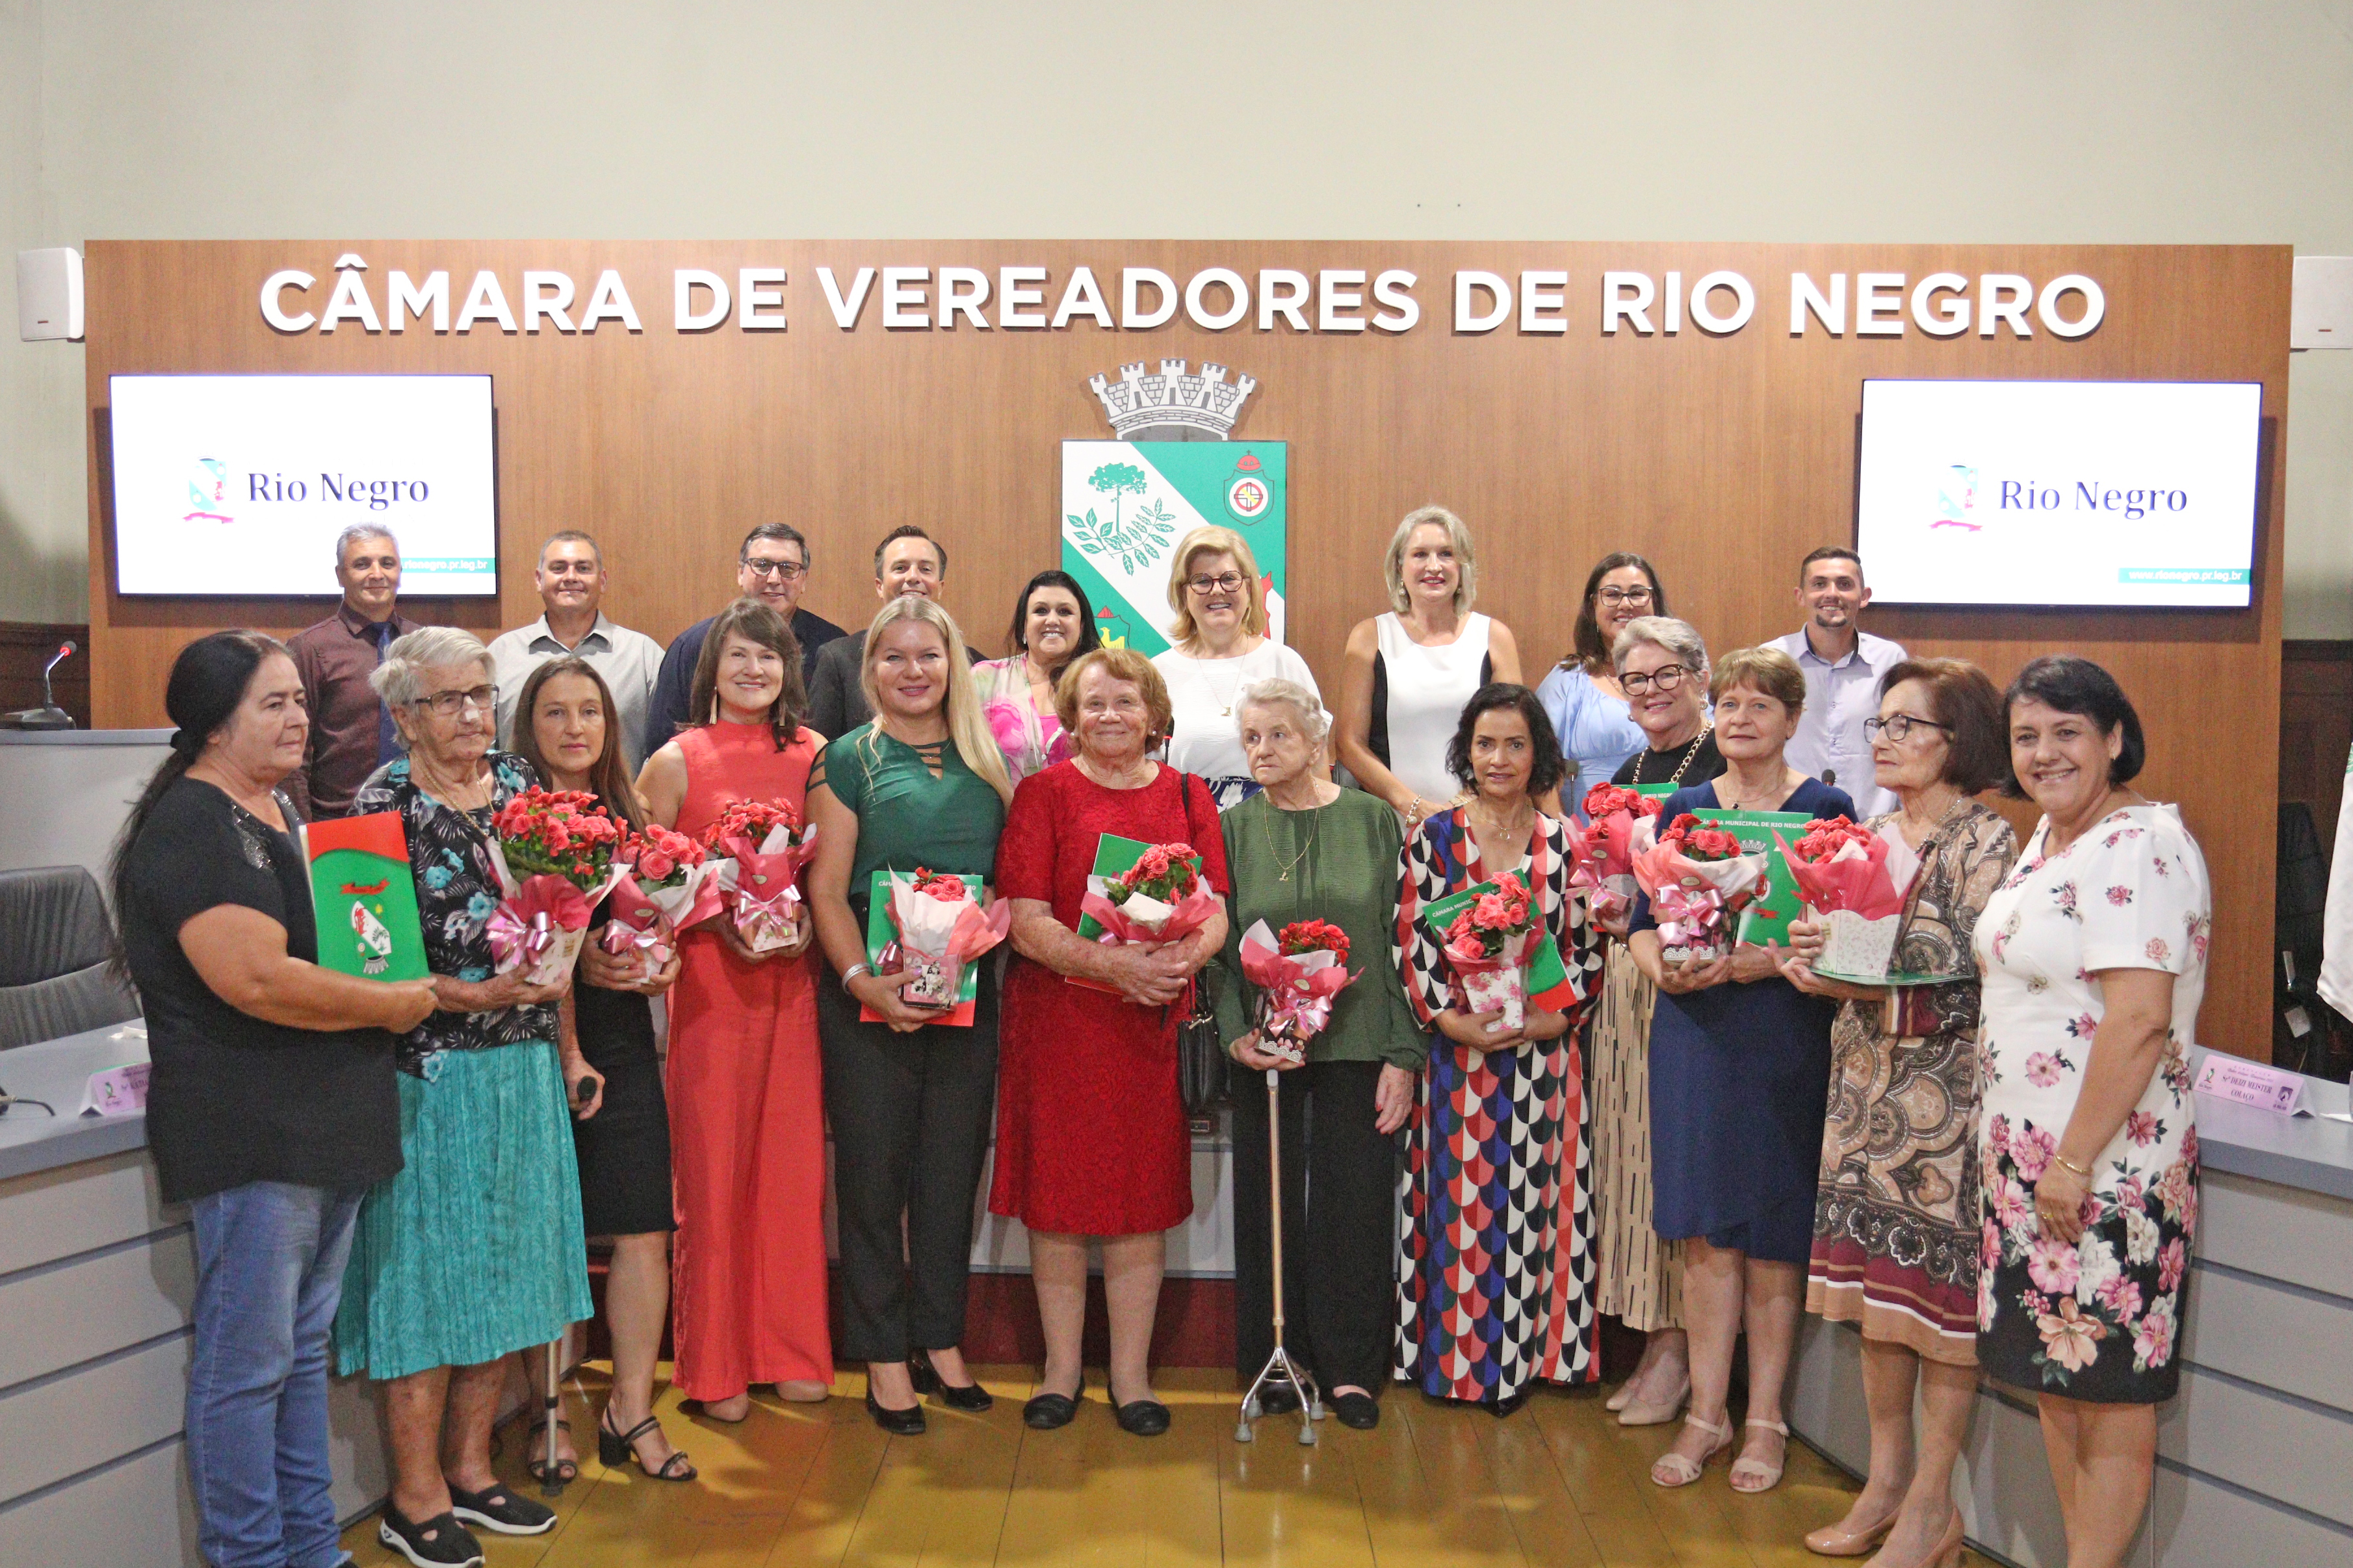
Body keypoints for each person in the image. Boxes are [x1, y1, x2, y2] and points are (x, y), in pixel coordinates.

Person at [112, 632, 437, 1568]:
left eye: (301, 700)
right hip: (256, 1133)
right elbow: (256, 981)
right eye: (273, 704)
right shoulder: (195, 824)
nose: (300, 718)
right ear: (215, 722)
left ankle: (308, 1547)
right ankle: (251, 1555)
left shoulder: (274, 808)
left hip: (322, 1125)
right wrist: (395, 1002)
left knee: (296, 1358)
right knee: (246, 1368)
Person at [330, 626, 589, 1567]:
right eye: (450, 700)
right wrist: (472, 993)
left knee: (511, 1278)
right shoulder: (374, 808)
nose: (475, 714)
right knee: (426, 1290)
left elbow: (561, 916)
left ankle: (475, 1472)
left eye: (481, 693)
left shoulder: (522, 786)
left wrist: (564, 1036)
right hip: (427, 1078)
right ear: (402, 715)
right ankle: (413, 1493)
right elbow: (365, 967)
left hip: (522, 1068)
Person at [1971, 656, 2207, 1568]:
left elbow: (2141, 1018)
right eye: (2027, 735)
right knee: (2060, 1383)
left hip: (2105, 1172)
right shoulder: (2050, 838)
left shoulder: (2141, 842)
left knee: (2109, 1396)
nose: (2044, 753)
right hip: (2034, 1167)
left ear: (2114, 738)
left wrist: (2071, 1163)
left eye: (2067, 732)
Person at [1780, 659, 2016, 1564]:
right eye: (1880, 724)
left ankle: (1930, 1506)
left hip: (1944, 1105)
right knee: (1879, 1305)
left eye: (1906, 725)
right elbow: (1848, 956)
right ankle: (1885, 1480)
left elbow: (1975, 976)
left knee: (1935, 1311)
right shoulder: (1867, 832)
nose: (1883, 739)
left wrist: (1861, 975)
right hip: (1861, 1091)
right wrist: (1811, 954)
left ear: (1959, 741)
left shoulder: (1990, 841)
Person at [1629, 645, 1853, 1493]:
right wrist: (1665, 969)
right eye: (1729, 702)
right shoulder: (1683, 805)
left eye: (1763, 704)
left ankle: (1765, 1419)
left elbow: (1850, 926)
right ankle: (1705, 1413)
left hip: (1785, 1030)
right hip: (1694, 1032)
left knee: (1771, 1234)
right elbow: (1645, 923)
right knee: (1705, 1235)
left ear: (1793, 720)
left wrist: (1772, 959)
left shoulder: (1827, 805)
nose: (1743, 716)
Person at [991, 647, 1231, 1437]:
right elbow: (1024, 919)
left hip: (1149, 1027)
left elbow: (1218, 910)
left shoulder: (1188, 794)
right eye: (1092, 703)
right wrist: (1110, 964)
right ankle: (1061, 1373)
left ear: (1153, 712)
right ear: (1069, 715)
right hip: (1061, 1027)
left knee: (1139, 1206)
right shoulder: (1042, 793)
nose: (1108, 716)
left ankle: (1130, 1378)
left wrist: (1169, 964)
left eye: (1124, 701)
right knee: (1055, 1207)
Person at [807, 598, 1016, 1433]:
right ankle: (882, 1354)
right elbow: (824, 889)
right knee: (871, 1175)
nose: (912, 670)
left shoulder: (989, 758)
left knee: (948, 1174)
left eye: (927, 655)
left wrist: (980, 931)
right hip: (870, 995)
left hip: (967, 992)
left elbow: (1005, 873)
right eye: (892, 657)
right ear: (870, 671)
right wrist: (863, 981)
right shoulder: (845, 760)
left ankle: (940, 1340)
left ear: (952, 664)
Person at [1208, 679, 1423, 1431]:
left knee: (1353, 1204)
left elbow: (1405, 944)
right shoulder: (1230, 827)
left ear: (1316, 739)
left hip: (1360, 1042)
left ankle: (1350, 1368)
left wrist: (1403, 1050)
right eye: (1251, 739)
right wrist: (1236, 1032)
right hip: (1267, 1049)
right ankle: (1278, 1357)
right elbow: (1219, 951)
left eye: (1278, 736)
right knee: (1266, 1203)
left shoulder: (1373, 820)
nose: (1262, 751)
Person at [637, 597, 833, 1421]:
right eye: (738, 657)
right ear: (709, 667)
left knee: (791, 1172)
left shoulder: (818, 754)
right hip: (713, 987)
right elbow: (644, 882)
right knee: (712, 1174)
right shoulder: (675, 760)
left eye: (769, 658)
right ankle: (713, 1363)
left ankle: (789, 1348)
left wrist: (796, 931)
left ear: (789, 669)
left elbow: (829, 876)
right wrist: (721, 915)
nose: (754, 672)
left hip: (793, 985)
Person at [508, 656, 694, 1484]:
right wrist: (580, 980)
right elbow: (528, 951)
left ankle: (631, 1408)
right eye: (555, 712)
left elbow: (656, 926)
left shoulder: (632, 814)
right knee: (546, 1234)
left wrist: (659, 962)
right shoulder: (509, 823)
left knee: (644, 1229)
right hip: (531, 1045)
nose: (575, 727)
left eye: (590, 711)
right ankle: (547, 1415)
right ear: (529, 725)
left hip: (621, 1041)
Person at [1394, 682, 1599, 1412]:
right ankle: (1457, 1365)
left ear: (1538, 751)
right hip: (1460, 1058)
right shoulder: (1433, 837)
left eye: (1515, 743)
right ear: (1465, 750)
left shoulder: (1566, 841)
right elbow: (1412, 938)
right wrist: (1449, 1019)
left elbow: (1586, 942)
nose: (1499, 757)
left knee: (1537, 1209)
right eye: (1485, 743)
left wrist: (1557, 1016)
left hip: (1545, 1057)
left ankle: (1531, 1360)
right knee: (1462, 1208)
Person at [1589, 616, 1723, 1427]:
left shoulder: (1721, 770)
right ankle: (1649, 1339)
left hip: (1690, 981)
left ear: (1699, 675)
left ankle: (1679, 1349)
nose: (1650, 692)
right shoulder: (1628, 766)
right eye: (1634, 679)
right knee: (1627, 1155)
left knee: (1672, 1159)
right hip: (1622, 979)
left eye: (1666, 674)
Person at [1337, 506, 1526, 828]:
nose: (1433, 566)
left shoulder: (1495, 638)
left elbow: (1516, 737)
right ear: (1399, 566)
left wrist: (1465, 803)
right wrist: (1412, 807)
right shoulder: (1369, 637)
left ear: (1463, 565)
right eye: (1420, 554)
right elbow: (1349, 744)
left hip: (1481, 821)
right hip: (1390, 825)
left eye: (1446, 554)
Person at [642, 523, 848, 760]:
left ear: (804, 580)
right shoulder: (693, 645)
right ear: (740, 572)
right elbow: (662, 739)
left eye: (788, 568)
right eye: (762, 565)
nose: (773, 578)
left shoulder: (832, 646)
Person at [1151, 525, 1320, 810]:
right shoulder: (1157, 674)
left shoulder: (1284, 663)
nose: (1217, 590)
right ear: (1183, 594)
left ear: (1250, 587)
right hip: (1186, 837)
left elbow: (1317, 767)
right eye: (1202, 581)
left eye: (1230, 579)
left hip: (1275, 831)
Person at [488, 531, 665, 773]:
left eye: (583, 569)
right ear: (539, 579)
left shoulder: (644, 656)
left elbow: (665, 750)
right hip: (522, 808)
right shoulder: (501, 655)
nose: (571, 577)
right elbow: (484, 748)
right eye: (559, 568)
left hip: (618, 809)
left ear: (602, 581)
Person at [285, 525, 417, 820]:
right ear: (340, 575)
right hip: (341, 822)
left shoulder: (422, 644)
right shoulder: (310, 648)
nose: (377, 574)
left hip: (421, 816)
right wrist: (304, 833)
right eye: (362, 564)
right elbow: (294, 756)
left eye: (387, 563)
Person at [1771, 546, 1907, 818]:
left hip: (1873, 831)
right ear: (1801, 596)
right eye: (1819, 584)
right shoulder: (1770, 660)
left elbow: (1907, 744)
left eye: (1844, 584)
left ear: (1864, 597)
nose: (1831, 593)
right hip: (1789, 828)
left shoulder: (1891, 660)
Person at [807, 526, 975, 739]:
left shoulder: (973, 664)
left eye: (925, 569)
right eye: (900, 568)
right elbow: (820, 748)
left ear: (940, 587)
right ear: (879, 586)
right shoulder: (839, 658)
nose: (913, 577)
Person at [1537, 552, 1670, 816]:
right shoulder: (1566, 682)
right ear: (1592, 606)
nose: (1626, 604)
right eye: (1612, 594)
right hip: (1587, 842)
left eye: (1637, 593)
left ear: (1655, 602)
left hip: (1670, 833)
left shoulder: (1680, 678)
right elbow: (1540, 768)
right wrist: (1564, 837)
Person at [971, 569, 1100, 784]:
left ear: (1082, 626)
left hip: (1084, 815)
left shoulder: (1101, 685)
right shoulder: (984, 680)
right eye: (1041, 611)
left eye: (1065, 612)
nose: (1052, 620)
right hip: (1000, 815)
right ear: (1023, 624)